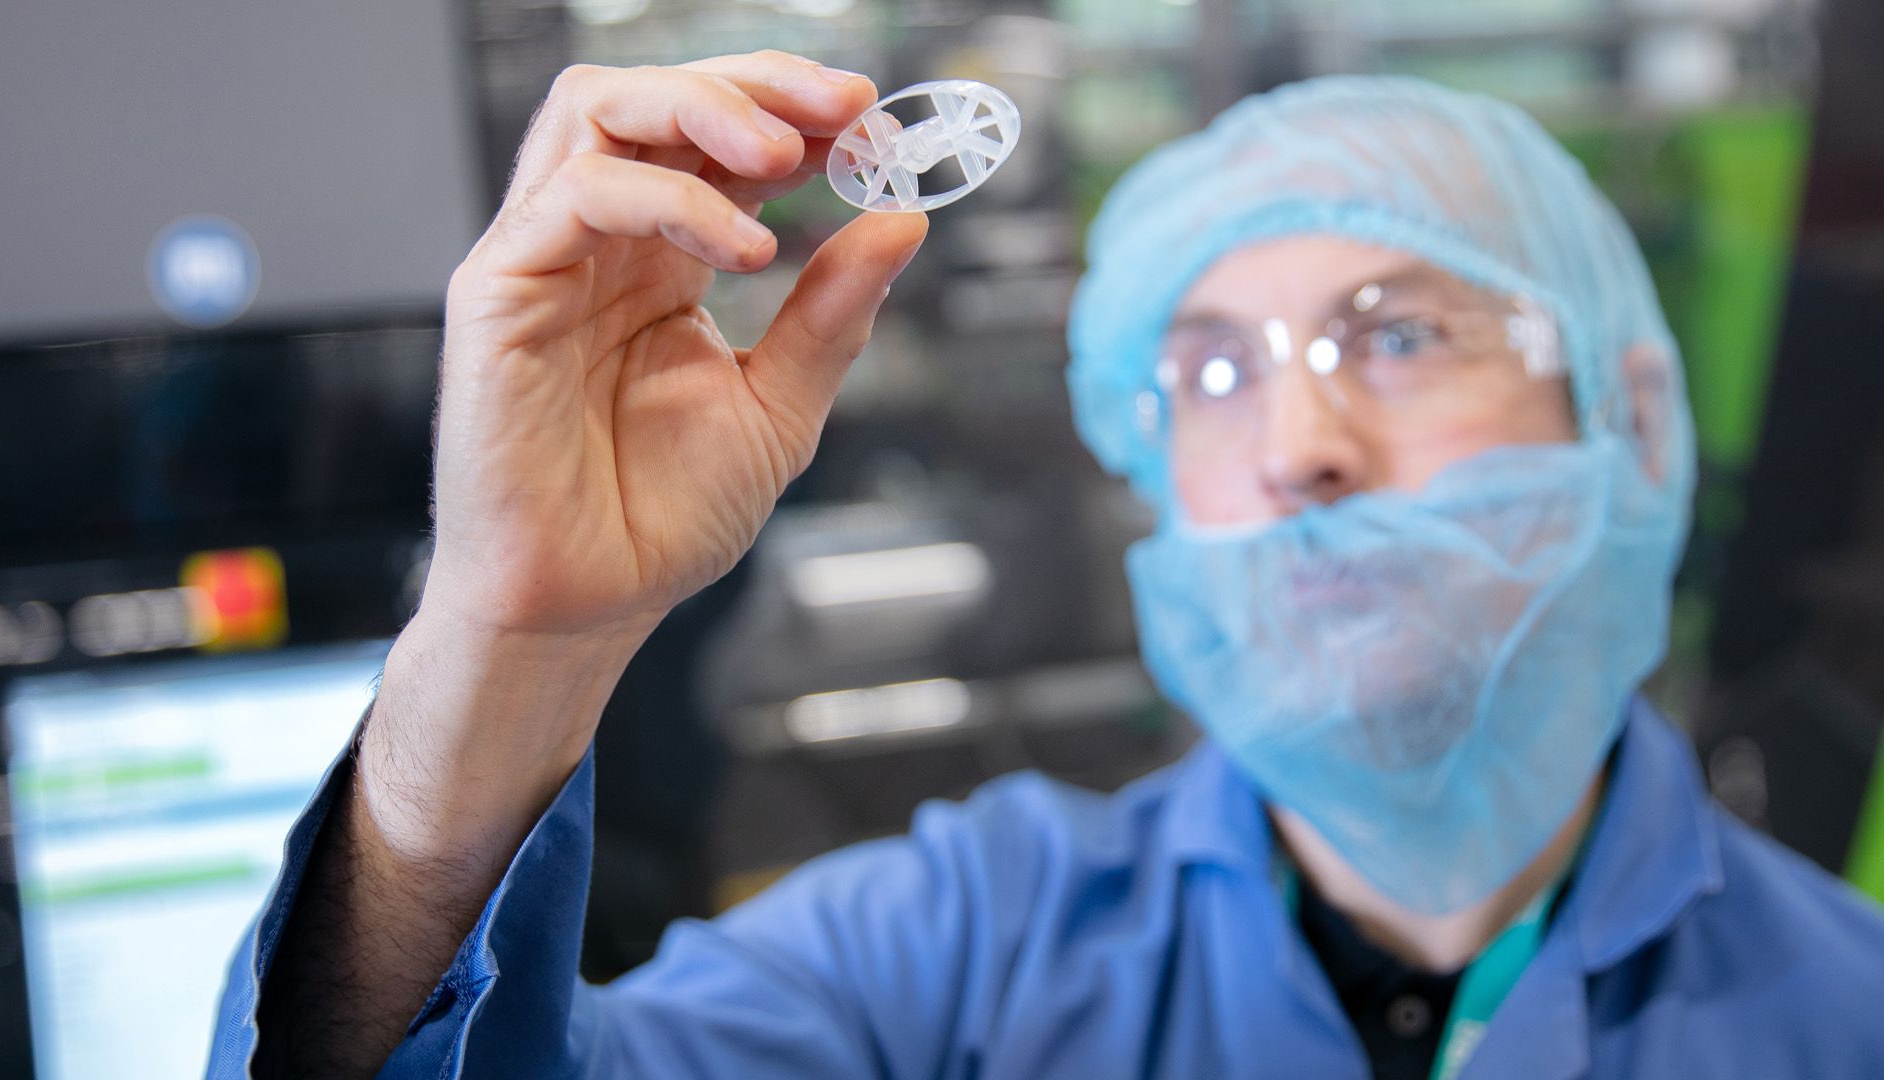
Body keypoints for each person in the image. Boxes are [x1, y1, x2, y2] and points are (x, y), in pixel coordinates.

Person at [209, 51, 1884, 1079]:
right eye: (1214, 368)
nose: (1300, 445)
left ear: (1634, 416)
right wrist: (510, 640)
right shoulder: (947, 963)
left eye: (1400, 333)